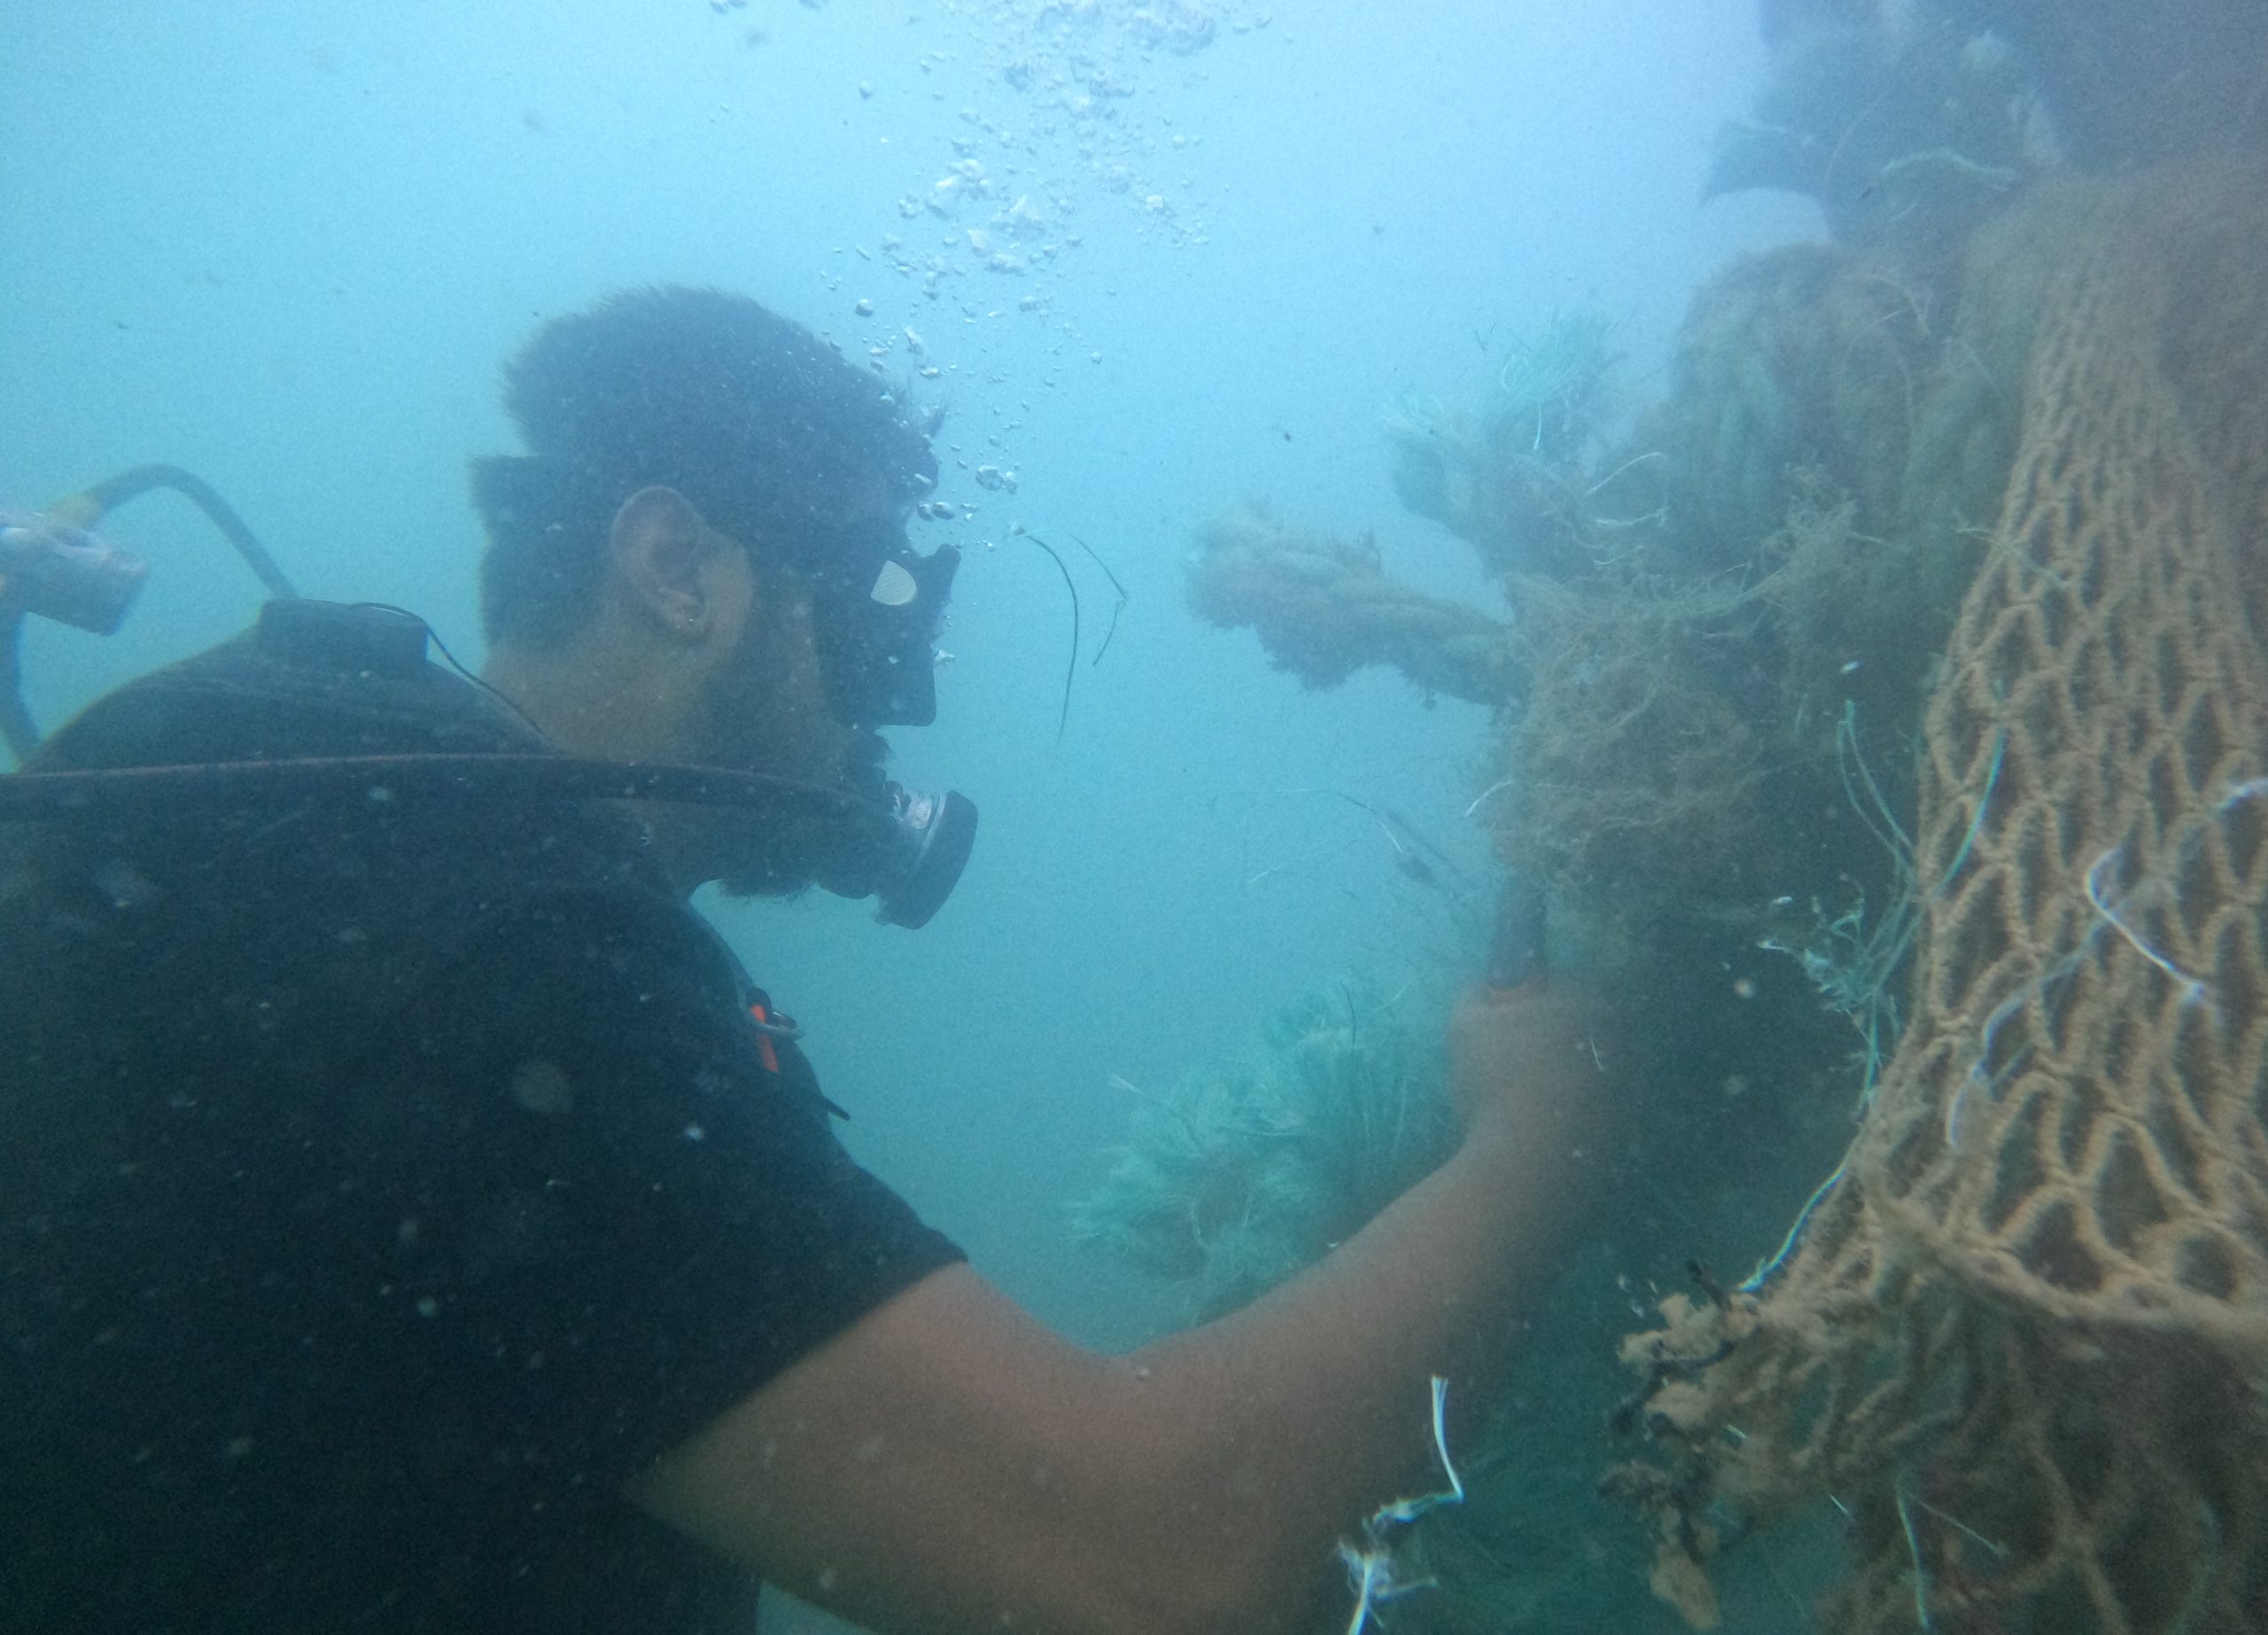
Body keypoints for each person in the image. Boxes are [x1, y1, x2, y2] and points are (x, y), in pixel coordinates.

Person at [0, 286, 1627, 1634]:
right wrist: (1547, 1128)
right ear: (679, 571)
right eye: (870, 634)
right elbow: (1151, 1564)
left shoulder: (273, 775)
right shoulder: (504, 953)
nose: (884, 716)